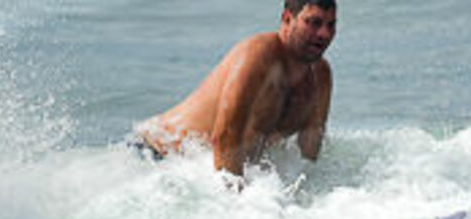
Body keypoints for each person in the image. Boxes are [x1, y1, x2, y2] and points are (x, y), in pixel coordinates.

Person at [134, 0, 336, 177]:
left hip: (205, 167)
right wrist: (237, 203)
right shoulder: (259, 56)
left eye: (331, 25)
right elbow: (225, 137)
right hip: (157, 157)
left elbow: (309, 152)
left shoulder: (320, 76)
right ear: (287, 18)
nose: (324, 34)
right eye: (314, 23)